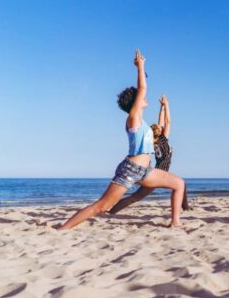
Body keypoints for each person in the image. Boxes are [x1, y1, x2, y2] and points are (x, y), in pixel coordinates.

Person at [58, 50, 185, 230]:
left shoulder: (142, 122)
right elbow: (142, 88)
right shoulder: (134, 118)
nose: (144, 97)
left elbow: (159, 118)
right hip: (131, 169)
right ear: (135, 102)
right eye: (140, 97)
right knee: (102, 206)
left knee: (179, 183)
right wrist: (140, 66)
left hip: (146, 171)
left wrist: (164, 108)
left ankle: (176, 223)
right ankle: (63, 229)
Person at [109, 94, 190, 214]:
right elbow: (167, 122)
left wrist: (162, 108)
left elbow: (161, 123)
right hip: (158, 172)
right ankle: (111, 212)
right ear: (159, 132)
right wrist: (166, 105)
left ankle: (186, 208)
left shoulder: (152, 141)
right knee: (179, 184)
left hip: (154, 171)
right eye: (159, 128)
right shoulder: (163, 140)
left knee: (136, 197)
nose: (161, 127)